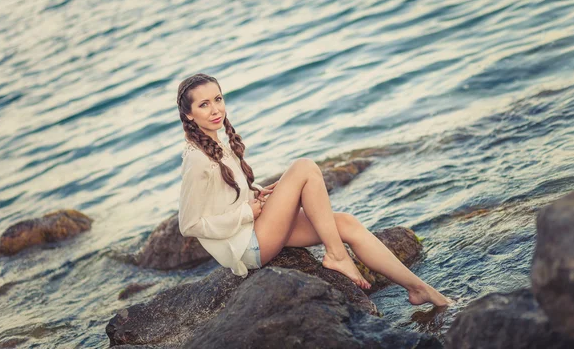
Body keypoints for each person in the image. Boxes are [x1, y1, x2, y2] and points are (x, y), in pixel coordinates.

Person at [176, 73, 452, 306]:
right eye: (204, 105)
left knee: (345, 223)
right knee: (305, 168)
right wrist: (247, 212)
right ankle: (336, 255)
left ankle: (421, 290)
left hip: (254, 227)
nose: (215, 110)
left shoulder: (216, 144)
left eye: (218, 99)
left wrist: (256, 194)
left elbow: (225, 194)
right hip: (247, 245)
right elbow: (189, 225)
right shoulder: (197, 159)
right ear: (189, 114)